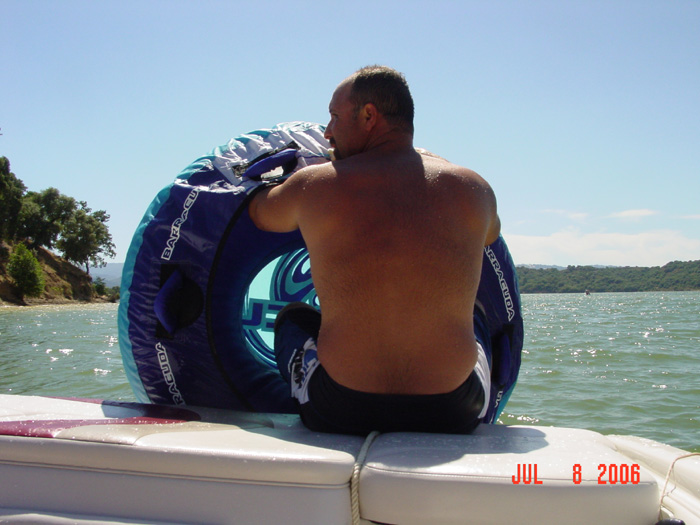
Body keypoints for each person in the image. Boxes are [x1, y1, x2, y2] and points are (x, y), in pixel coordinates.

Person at [248, 66, 501, 435]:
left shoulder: (315, 185)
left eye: (334, 116)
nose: (327, 131)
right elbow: (491, 236)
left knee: (293, 318)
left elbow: (260, 213)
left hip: (339, 407)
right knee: (475, 314)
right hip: (454, 410)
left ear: (369, 115)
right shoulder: (473, 188)